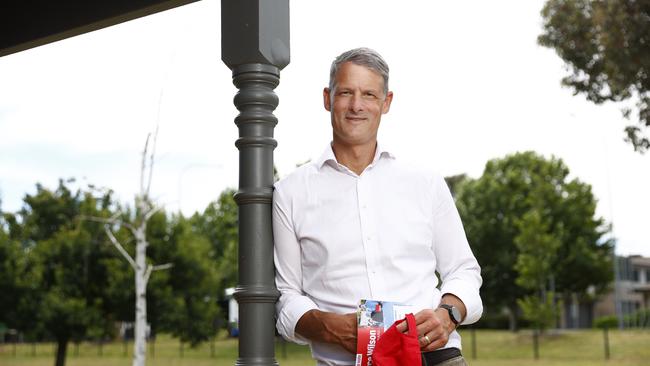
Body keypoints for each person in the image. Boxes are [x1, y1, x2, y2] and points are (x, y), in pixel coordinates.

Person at [273, 47, 482, 366]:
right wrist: (332, 329)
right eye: (346, 93)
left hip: (435, 358)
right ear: (328, 99)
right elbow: (286, 297)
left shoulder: (425, 183)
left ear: (386, 103)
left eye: (369, 94)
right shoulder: (290, 192)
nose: (357, 106)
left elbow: (463, 270)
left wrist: (448, 314)